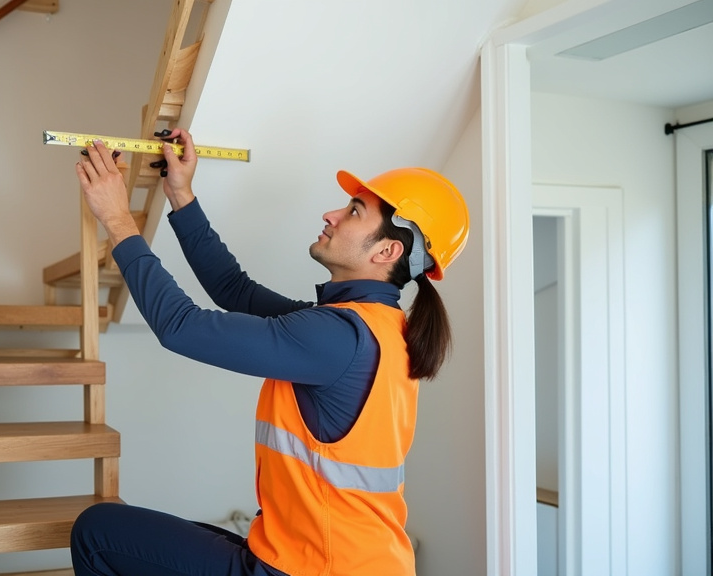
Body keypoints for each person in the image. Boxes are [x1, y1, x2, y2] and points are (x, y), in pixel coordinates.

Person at [70, 128, 469, 576]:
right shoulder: (375, 326)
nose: (331, 214)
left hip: (313, 569)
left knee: (98, 532)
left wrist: (118, 220)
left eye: (354, 211)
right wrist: (181, 195)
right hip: (338, 561)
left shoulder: (336, 336)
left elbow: (180, 327)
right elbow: (234, 290)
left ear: (388, 251)